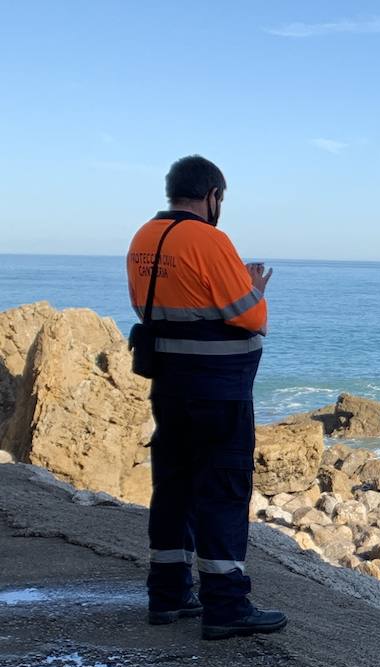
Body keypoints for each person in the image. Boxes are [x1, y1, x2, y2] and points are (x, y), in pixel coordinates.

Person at [126, 155, 286, 640]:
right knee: (221, 491)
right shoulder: (210, 240)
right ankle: (226, 606)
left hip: (169, 385)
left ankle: (168, 594)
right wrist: (255, 288)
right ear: (212, 195)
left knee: (174, 485)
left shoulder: (143, 238)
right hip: (217, 388)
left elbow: (153, 305)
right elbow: (249, 317)